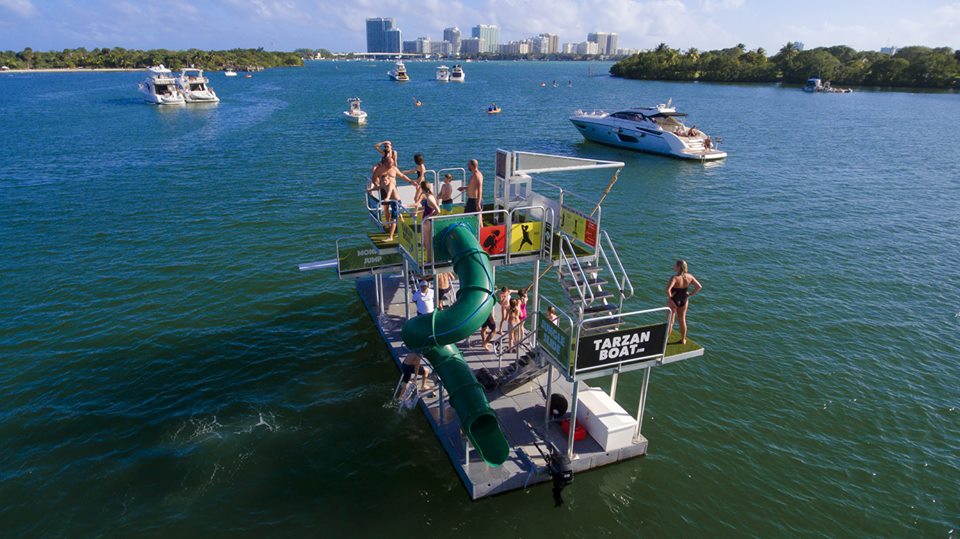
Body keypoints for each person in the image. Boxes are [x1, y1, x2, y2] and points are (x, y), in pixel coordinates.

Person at [666, 259, 702, 345]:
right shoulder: (690, 277)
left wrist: (671, 298)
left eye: (675, 265)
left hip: (674, 300)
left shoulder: (674, 278)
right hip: (684, 300)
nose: (674, 266)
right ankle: (683, 340)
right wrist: (689, 294)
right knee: (682, 320)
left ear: (678, 267)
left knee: (670, 322)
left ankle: (665, 341)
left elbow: (667, 290)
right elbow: (699, 286)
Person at [418, 181, 441, 260]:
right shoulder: (429, 196)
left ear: (422, 188)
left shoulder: (429, 198)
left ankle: (429, 261)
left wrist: (429, 217)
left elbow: (438, 210)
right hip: (426, 221)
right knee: (425, 243)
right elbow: (428, 209)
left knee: (428, 244)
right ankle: (430, 260)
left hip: (428, 223)